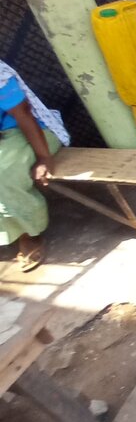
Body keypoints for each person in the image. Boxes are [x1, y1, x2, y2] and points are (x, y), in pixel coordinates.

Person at [0, 60, 70, 271]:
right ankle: (6, 232)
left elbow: (24, 115)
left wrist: (43, 158)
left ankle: (28, 232)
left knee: (4, 175)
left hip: (34, 130)